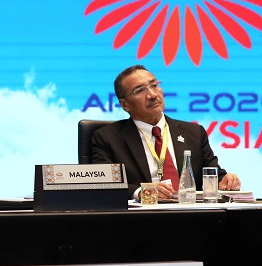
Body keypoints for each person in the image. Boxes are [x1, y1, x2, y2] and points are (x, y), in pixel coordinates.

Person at [90, 64, 241, 200]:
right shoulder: (107, 138)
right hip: (141, 221)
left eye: (154, 85)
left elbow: (212, 173)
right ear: (125, 105)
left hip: (192, 216)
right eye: (140, 90)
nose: (152, 95)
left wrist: (225, 179)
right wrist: (143, 192)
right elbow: (105, 184)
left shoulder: (194, 132)